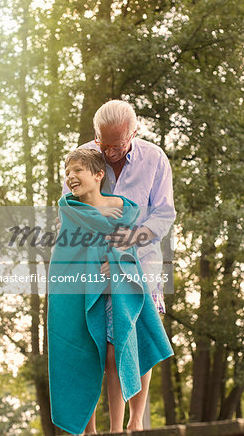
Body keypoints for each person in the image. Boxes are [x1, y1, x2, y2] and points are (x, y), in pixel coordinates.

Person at [61, 100, 176, 434]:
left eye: (117, 145)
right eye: (103, 143)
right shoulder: (82, 157)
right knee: (96, 343)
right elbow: (72, 212)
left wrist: (127, 245)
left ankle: (135, 421)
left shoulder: (154, 159)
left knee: (135, 339)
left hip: (141, 265)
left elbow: (164, 214)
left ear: (133, 133)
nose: (109, 152)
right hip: (95, 267)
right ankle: (90, 427)